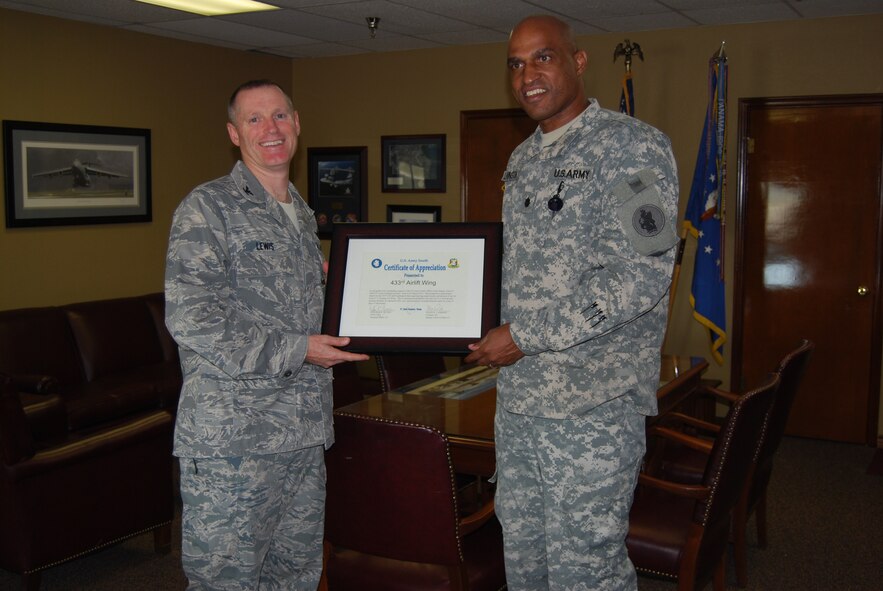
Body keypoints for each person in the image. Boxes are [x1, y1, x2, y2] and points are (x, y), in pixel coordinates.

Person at [464, 15, 679, 591]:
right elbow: (518, 274)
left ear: (578, 61)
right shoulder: (522, 160)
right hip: (520, 405)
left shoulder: (631, 147)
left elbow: (644, 274)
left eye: (543, 58)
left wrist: (527, 336)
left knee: (588, 568)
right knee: (525, 558)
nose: (527, 75)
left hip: (593, 409)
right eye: (515, 63)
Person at [165, 79, 368, 590]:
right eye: (255, 120)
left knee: (295, 576)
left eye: (279, 116)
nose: (270, 129)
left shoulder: (299, 211)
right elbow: (194, 317)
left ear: (297, 123)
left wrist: (340, 286)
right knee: (227, 580)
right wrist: (299, 349)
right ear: (235, 134)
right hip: (236, 440)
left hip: (301, 431)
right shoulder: (208, 208)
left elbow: (281, 305)